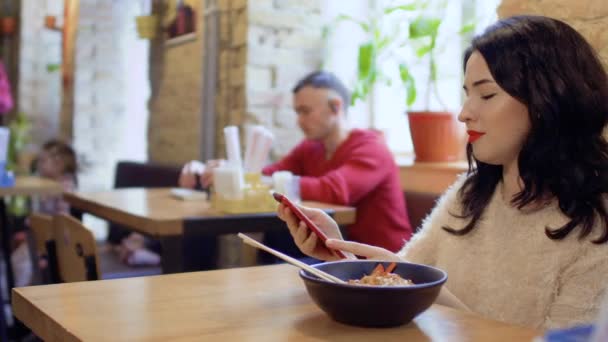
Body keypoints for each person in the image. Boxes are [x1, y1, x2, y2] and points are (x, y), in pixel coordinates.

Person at [276, 15, 608, 330]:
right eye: (467, 94)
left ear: (549, 98)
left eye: (487, 94)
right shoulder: (471, 193)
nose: (464, 113)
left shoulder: (595, 224)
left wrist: (436, 296)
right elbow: (401, 280)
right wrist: (340, 254)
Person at [180, 71, 413, 253]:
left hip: (387, 258)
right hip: (340, 253)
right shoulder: (310, 148)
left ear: (336, 107)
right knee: (277, 243)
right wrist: (225, 170)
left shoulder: (372, 148)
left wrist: (262, 180)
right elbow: (268, 173)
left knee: (278, 245)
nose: (299, 121)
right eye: (297, 112)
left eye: (305, 111)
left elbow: (335, 190)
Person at [11, 139, 78, 286]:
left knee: (20, 263)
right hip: (41, 234)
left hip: (54, 239)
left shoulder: (64, 186)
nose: (39, 165)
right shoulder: (47, 183)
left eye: (42, 161)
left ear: (59, 163)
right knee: (17, 259)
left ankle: (18, 298)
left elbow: (62, 220)